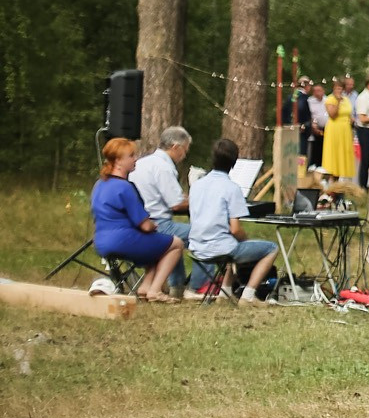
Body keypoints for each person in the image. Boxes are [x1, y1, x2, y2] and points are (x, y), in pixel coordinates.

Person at [187, 137, 280, 302]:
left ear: (213, 159)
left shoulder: (197, 185)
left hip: (196, 245)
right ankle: (249, 295)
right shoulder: (231, 188)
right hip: (219, 248)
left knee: (229, 242)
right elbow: (235, 229)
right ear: (234, 163)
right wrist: (245, 241)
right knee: (271, 248)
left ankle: (226, 291)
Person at [91, 138, 183, 304]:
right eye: (131, 156)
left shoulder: (99, 184)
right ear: (118, 160)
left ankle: (144, 288)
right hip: (122, 240)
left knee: (157, 244)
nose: (135, 159)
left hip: (100, 241)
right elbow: (145, 225)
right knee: (175, 243)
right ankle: (155, 291)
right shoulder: (124, 187)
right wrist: (153, 225)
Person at [131, 126, 192, 293]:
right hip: (159, 224)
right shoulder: (164, 167)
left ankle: (177, 286)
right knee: (206, 234)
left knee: (174, 239)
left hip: (139, 223)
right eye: (184, 150)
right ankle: (196, 287)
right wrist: (200, 201)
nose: (184, 155)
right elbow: (176, 204)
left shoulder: (142, 163)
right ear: (175, 147)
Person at [320, 80, 356, 182]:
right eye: (337, 88)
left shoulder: (346, 99)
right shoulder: (330, 99)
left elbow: (349, 112)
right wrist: (338, 101)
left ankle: (341, 179)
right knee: (334, 154)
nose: (339, 90)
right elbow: (332, 115)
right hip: (334, 129)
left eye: (340, 88)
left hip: (345, 130)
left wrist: (352, 120)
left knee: (343, 154)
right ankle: (331, 179)